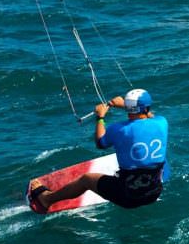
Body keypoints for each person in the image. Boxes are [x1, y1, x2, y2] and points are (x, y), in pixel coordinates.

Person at [29, 88, 167, 214]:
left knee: (87, 179)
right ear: (147, 107)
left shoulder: (119, 129)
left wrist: (100, 117)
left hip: (128, 197)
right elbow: (149, 115)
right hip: (154, 193)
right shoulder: (162, 122)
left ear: (129, 108)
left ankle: (46, 199)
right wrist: (127, 105)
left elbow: (100, 143)